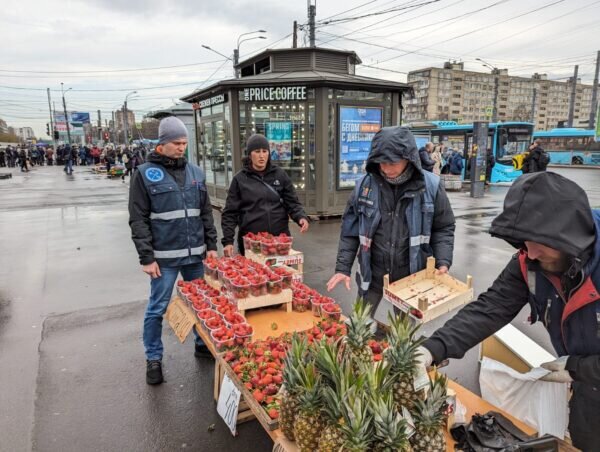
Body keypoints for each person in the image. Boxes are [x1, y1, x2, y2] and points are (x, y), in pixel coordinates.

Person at [417, 172, 599, 451]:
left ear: (568, 234)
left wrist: (578, 368)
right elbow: (490, 307)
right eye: (524, 242)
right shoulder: (530, 260)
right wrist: (433, 348)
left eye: (538, 242)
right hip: (588, 396)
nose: (531, 253)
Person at [327, 126, 455, 318]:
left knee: (402, 336)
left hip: (411, 278)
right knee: (359, 326)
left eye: (392, 162)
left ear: (409, 158)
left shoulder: (431, 186)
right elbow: (350, 231)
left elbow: (443, 227)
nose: (386, 169)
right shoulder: (364, 186)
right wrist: (343, 268)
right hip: (372, 275)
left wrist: (443, 262)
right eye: (381, 162)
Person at [128, 116, 218, 385]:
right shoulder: (144, 174)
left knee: (202, 305)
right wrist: (146, 257)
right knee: (157, 308)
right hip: (164, 259)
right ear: (162, 144)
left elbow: (205, 213)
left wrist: (211, 245)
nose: (181, 148)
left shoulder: (196, 173)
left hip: (195, 256)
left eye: (184, 143)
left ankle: (202, 345)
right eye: (176, 143)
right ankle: (153, 358)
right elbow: (138, 218)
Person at [221, 134, 309, 256]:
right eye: (257, 151)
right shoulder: (239, 179)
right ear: (250, 154)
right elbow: (230, 213)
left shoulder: (280, 175)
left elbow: (292, 201)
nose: (261, 155)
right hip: (252, 243)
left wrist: (301, 217)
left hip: (279, 241)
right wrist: (228, 241)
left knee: (282, 274)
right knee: (256, 274)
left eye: (265, 151)